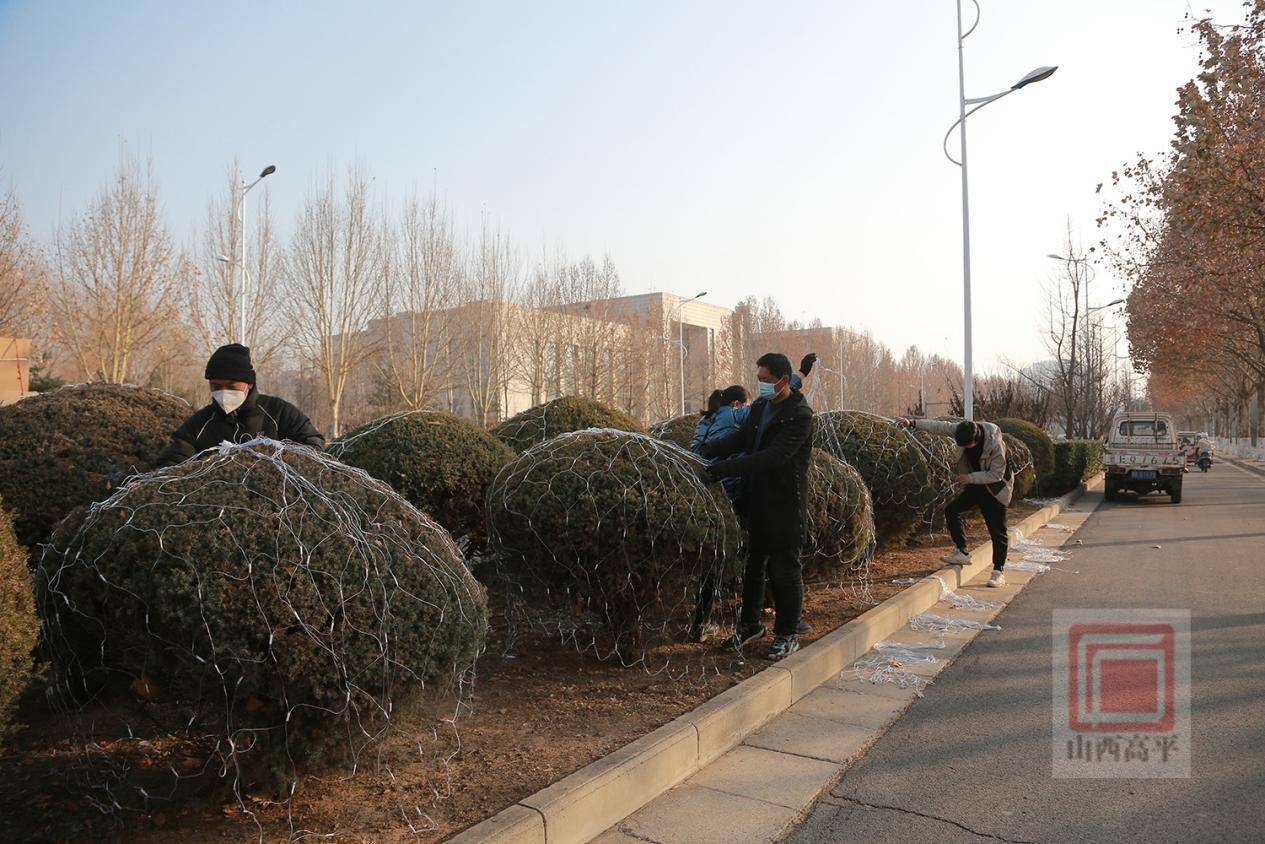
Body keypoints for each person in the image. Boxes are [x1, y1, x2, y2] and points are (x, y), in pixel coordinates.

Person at [700, 352, 814, 660]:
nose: (761, 386)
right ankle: (749, 625)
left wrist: (726, 469)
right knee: (754, 566)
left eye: (765, 380)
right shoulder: (763, 406)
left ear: (782, 380)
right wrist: (709, 450)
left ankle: (787, 634)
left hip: (785, 504)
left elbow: (774, 456)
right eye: (759, 380)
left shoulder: (800, 415)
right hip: (758, 500)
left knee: (784, 570)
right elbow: (743, 438)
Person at [156, 343, 325, 468]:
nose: (223, 392)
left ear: (249, 384)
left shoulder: (279, 412)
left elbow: (313, 446)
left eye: (231, 386)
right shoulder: (201, 423)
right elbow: (172, 460)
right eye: (216, 386)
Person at [896, 416, 1012, 587]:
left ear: (977, 438)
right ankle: (962, 552)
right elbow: (940, 426)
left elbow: (996, 475)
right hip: (975, 484)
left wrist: (969, 477)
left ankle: (998, 571)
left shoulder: (995, 445)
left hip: (995, 488)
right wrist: (912, 423)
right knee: (952, 511)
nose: (964, 448)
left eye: (967, 446)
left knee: (997, 530)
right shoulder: (963, 429)